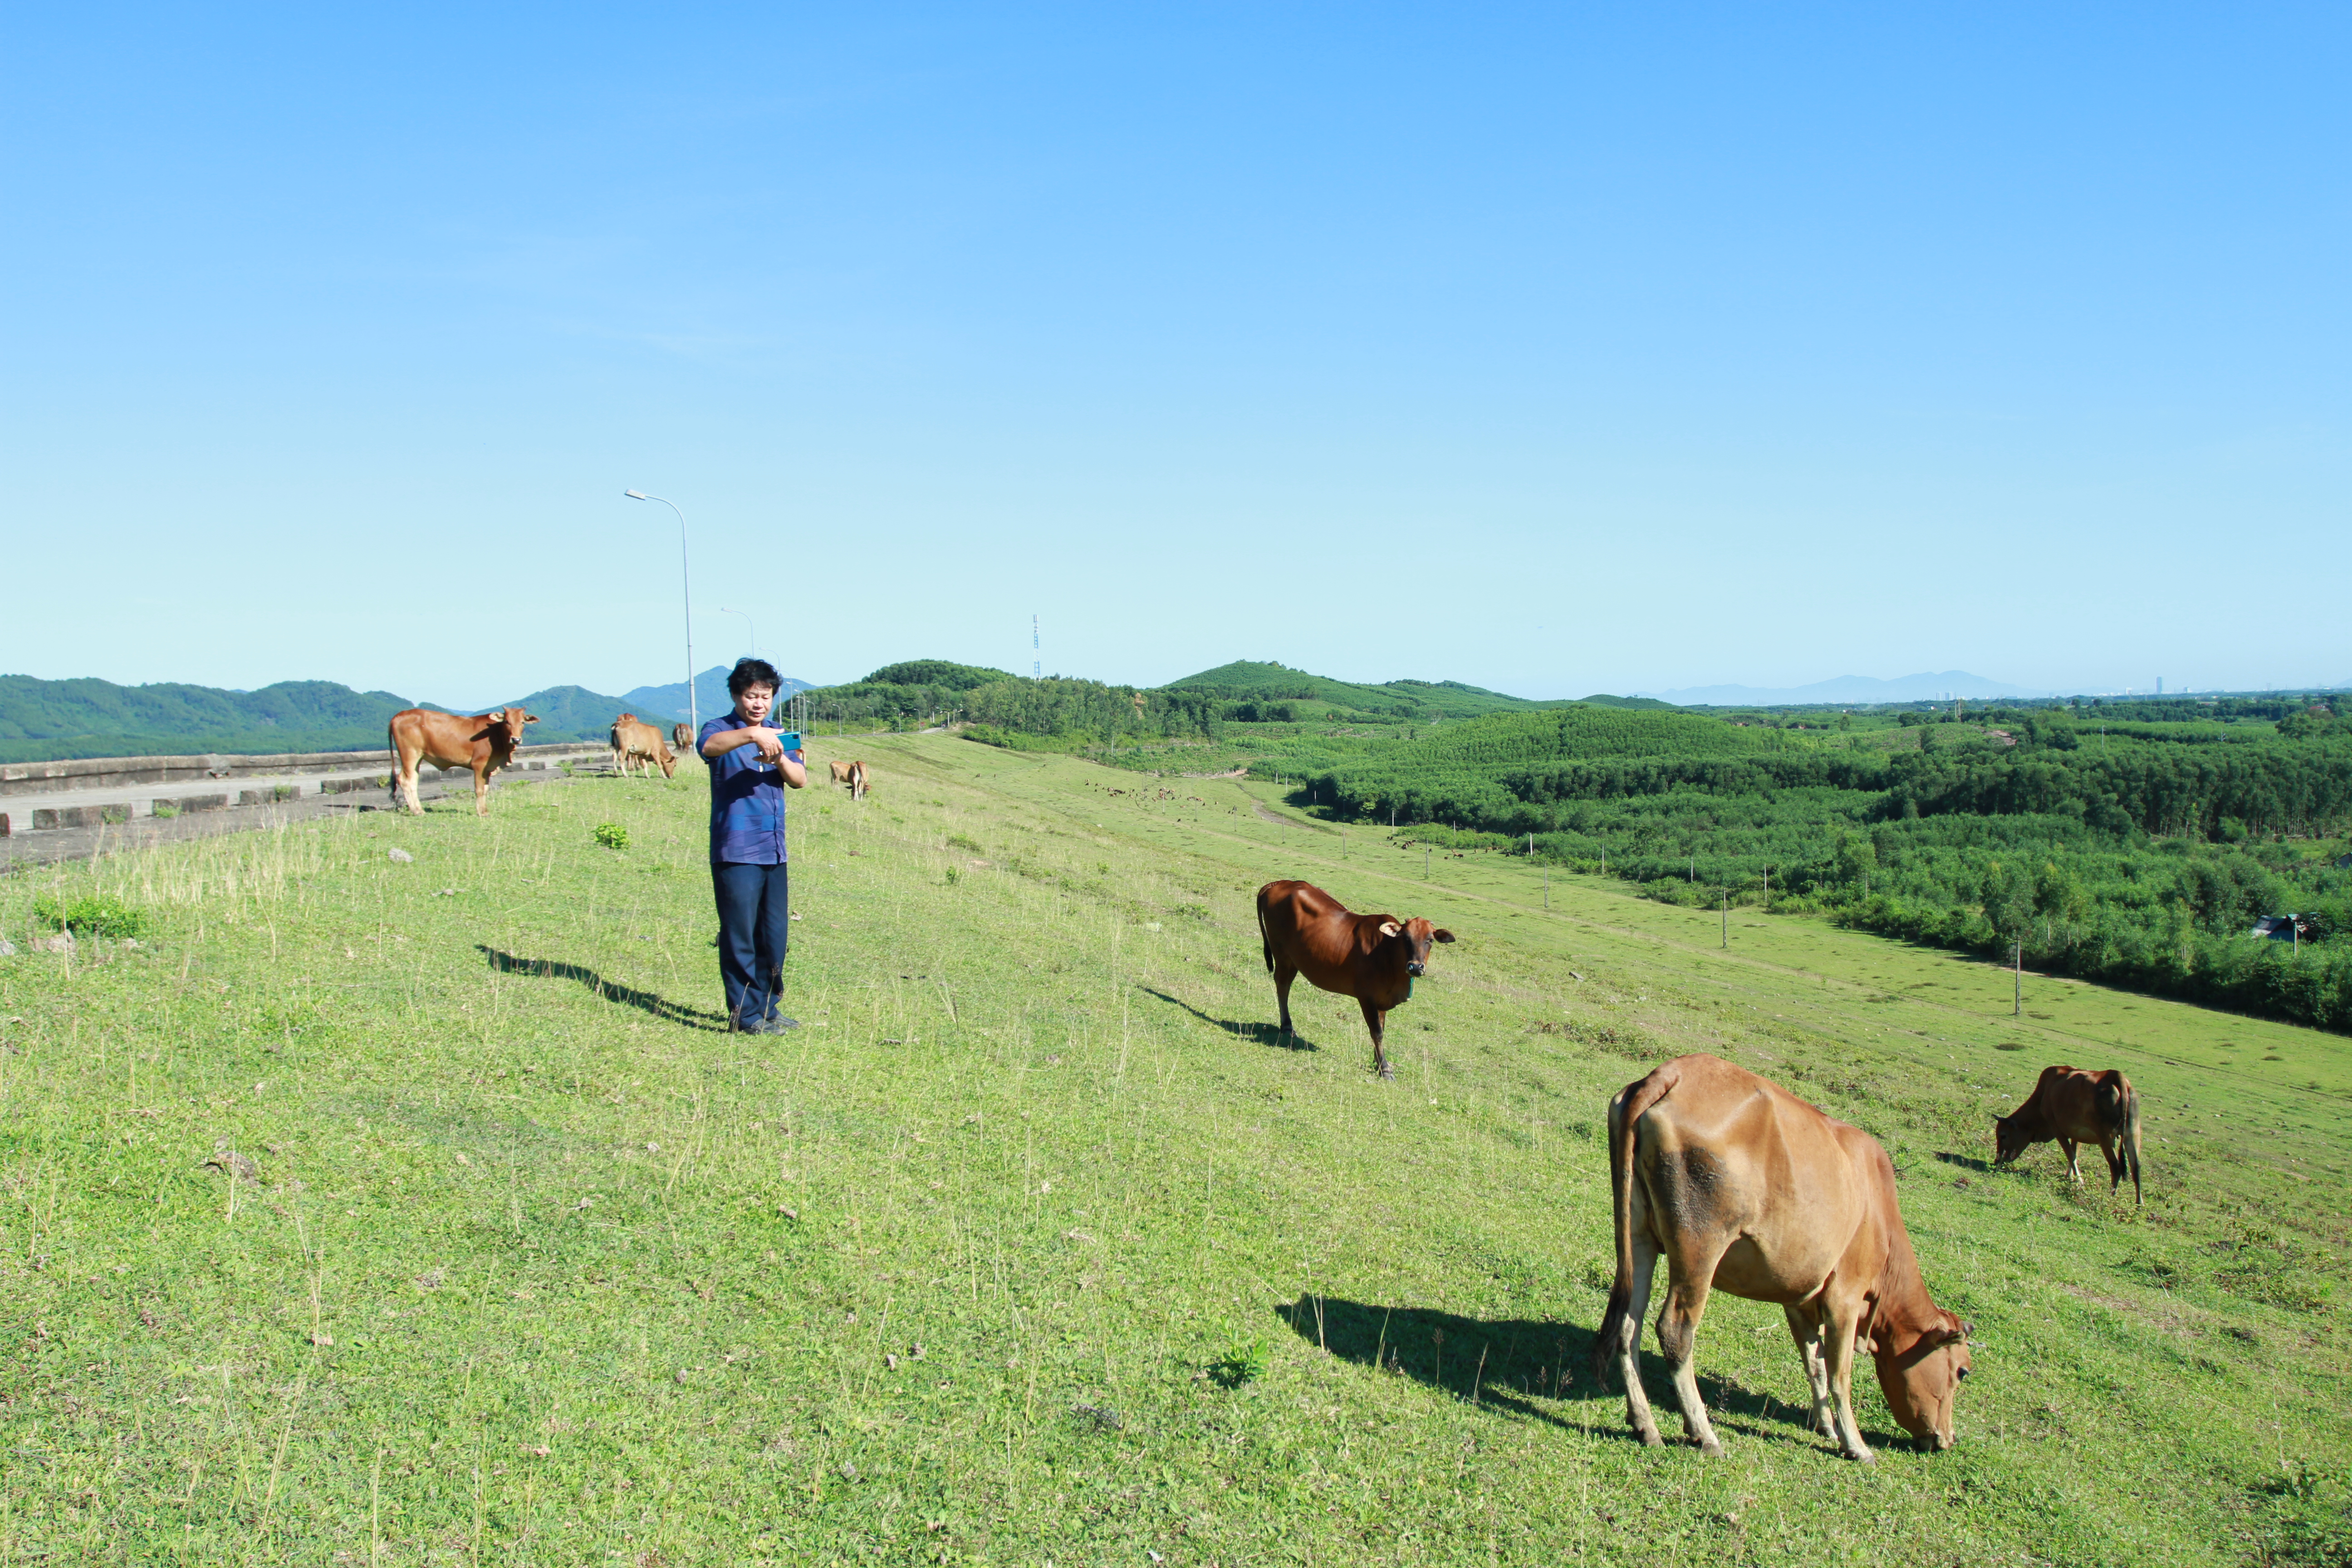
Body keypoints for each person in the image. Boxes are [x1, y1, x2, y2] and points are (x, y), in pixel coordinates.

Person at [697, 658, 807, 1033]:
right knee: (739, 934)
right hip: (736, 849)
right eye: (750, 696)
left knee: (774, 936)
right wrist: (752, 735)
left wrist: (778, 757)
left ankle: (768, 1008)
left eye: (765, 696)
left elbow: (799, 780)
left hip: (774, 849)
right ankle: (744, 1016)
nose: (758, 704)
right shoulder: (720, 729)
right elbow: (710, 747)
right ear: (736, 695)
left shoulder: (780, 734)